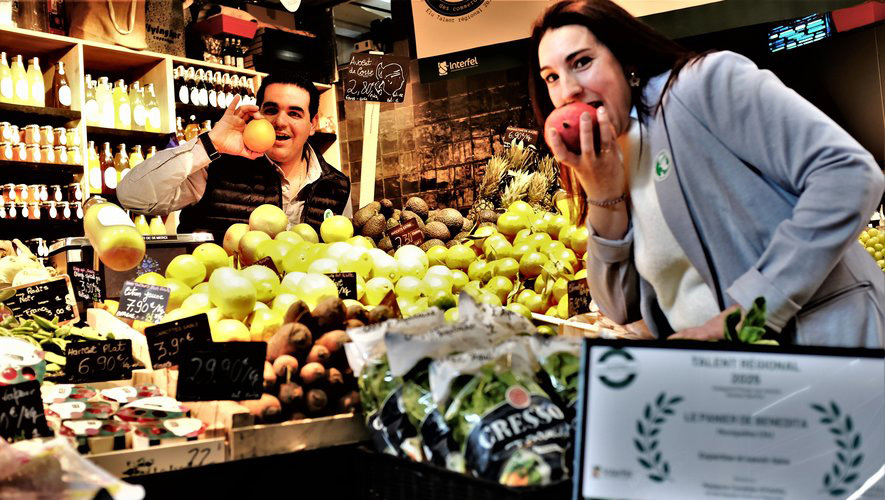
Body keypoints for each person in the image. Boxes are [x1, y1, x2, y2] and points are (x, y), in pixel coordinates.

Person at [530, 0, 884, 347]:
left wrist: (747, 312)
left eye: (582, 62)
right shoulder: (611, 158)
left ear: (625, 59)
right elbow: (619, 308)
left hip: (831, 348)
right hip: (736, 375)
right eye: (552, 77)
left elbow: (848, 173)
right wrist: (603, 195)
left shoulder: (701, 85)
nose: (568, 90)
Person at [117, 70, 352, 241]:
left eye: (295, 113)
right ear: (258, 114)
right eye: (271, 110)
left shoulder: (337, 186)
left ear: (312, 124)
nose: (280, 122)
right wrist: (210, 144)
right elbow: (131, 196)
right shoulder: (216, 166)